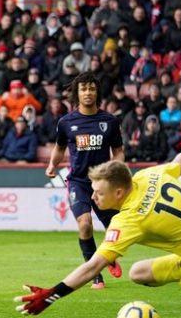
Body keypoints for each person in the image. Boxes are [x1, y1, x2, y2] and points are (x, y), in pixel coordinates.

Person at [15, 134, 181, 315]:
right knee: (139, 272)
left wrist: (52, 294)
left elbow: (93, 267)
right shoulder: (148, 175)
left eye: (99, 192)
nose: (93, 196)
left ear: (119, 193)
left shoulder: (128, 220)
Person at [45, 72, 124, 289]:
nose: (87, 92)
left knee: (114, 228)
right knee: (85, 224)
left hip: (103, 183)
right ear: (77, 93)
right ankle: (95, 275)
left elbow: (118, 151)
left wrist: (117, 169)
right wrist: (53, 164)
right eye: (83, 89)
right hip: (78, 182)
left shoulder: (109, 121)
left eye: (91, 88)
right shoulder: (66, 122)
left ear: (96, 91)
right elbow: (60, 148)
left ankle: (107, 255)